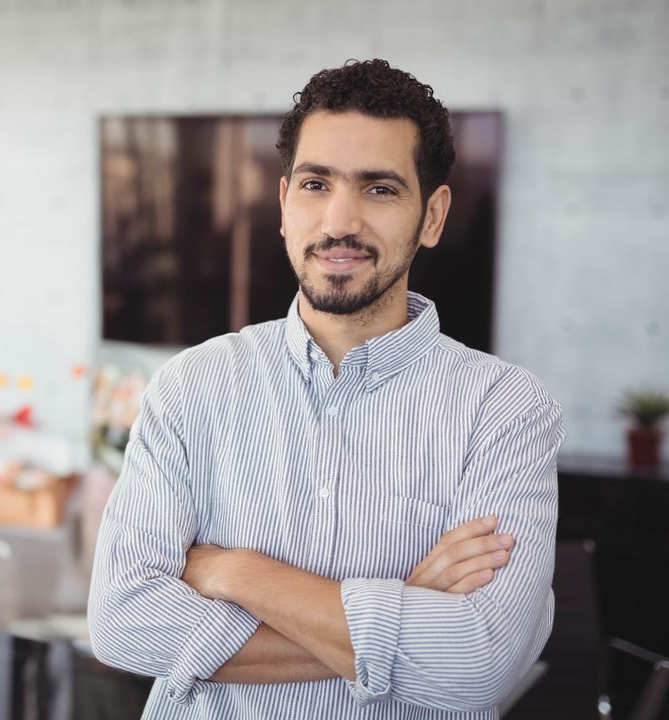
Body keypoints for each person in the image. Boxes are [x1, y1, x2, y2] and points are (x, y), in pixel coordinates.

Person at [87, 59, 566, 720]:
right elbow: (122, 624)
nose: (340, 220)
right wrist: (403, 604)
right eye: (316, 184)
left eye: (379, 189)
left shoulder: (506, 409)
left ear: (433, 216)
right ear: (284, 205)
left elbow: (476, 664)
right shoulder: (191, 386)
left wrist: (237, 574)